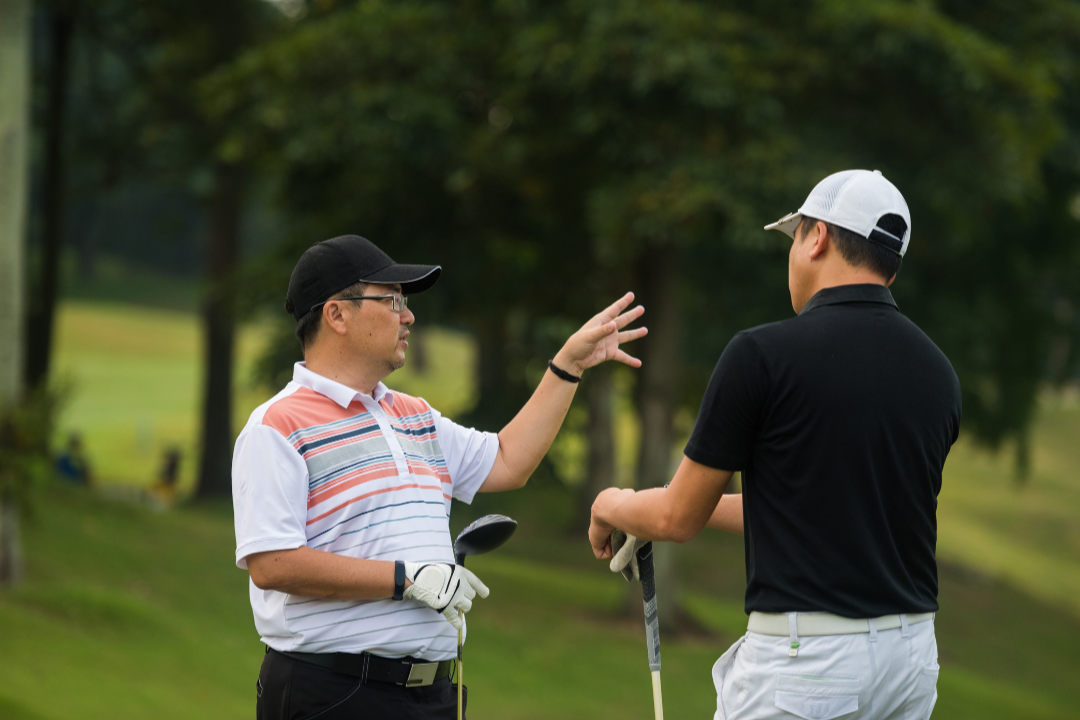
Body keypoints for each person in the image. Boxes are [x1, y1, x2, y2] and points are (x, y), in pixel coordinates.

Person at [589, 170, 961, 720]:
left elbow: (676, 519)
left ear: (817, 238)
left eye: (795, 236)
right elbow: (812, 510)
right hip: (910, 660)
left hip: (809, 662)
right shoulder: (938, 373)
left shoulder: (761, 356)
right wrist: (659, 501)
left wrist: (612, 504)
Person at [233, 234, 646, 720]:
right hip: (333, 692)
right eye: (392, 301)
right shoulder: (276, 426)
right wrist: (406, 579)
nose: (408, 317)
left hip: (434, 695)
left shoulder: (414, 415)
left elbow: (508, 460)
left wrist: (568, 365)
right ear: (337, 315)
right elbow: (273, 564)